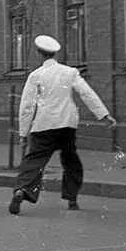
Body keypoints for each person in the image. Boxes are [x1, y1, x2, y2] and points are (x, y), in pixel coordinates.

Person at [10, 35, 117, 215]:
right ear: (55, 54)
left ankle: (22, 190)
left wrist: (23, 133)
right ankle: (72, 198)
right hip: (67, 125)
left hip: (43, 125)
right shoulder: (70, 72)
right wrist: (104, 115)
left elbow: (27, 106)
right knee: (70, 160)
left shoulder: (35, 75)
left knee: (34, 160)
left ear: (39, 54)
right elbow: (87, 93)